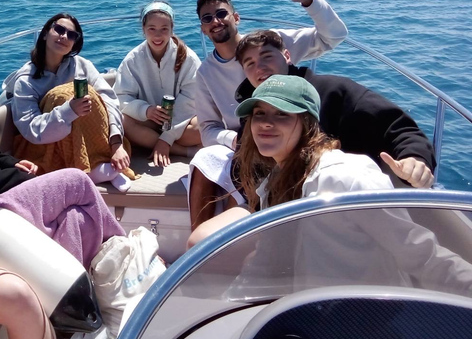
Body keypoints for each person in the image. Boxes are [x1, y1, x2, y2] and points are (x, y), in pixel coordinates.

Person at [188, 75, 472, 294]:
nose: (266, 124)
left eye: (282, 115)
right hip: (309, 306)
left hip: (364, 317)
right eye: (259, 114)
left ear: (307, 124)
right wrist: (232, 301)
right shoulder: (276, 180)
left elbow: (420, 254)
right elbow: (266, 258)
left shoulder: (346, 178)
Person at [0, 24, 126, 270]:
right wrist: (16, 177)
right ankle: (124, 249)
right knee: (77, 180)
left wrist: (12, 163)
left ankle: (80, 280)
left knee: (75, 218)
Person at [189, 0, 348, 226]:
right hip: (241, 145)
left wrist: (310, 2)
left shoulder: (269, 45)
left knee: (253, 174)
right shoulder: (205, 73)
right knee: (206, 158)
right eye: (207, 18)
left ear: (236, 17)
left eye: (221, 14)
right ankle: (201, 245)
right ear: (203, 30)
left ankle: (241, 240)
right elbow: (207, 130)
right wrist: (234, 140)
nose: (215, 21)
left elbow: (333, 37)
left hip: (286, 139)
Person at [234, 29, 435, 187]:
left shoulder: (334, 92)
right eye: (249, 63)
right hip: (274, 201)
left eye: (267, 57)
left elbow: (397, 127)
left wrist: (415, 159)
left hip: (334, 197)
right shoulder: (251, 108)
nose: (259, 67)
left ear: (287, 55)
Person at [10, 13, 134, 191]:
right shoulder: (26, 80)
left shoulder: (81, 66)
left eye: (71, 35)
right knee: (63, 95)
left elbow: (109, 100)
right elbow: (31, 129)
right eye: (59, 29)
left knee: (92, 93)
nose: (64, 37)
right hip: (45, 147)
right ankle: (91, 170)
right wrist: (69, 110)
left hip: (89, 141)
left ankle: (101, 161)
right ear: (45, 33)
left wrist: (116, 144)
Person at [113, 1, 202, 167]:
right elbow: (120, 97)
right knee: (122, 120)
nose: (157, 35)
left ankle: (158, 143)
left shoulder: (189, 58)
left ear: (172, 29)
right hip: (149, 121)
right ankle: (182, 151)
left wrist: (166, 138)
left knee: (203, 127)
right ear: (143, 29)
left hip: (181, 122)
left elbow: (192, 100)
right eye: (151, 28)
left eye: (164, 29)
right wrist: (145, 111)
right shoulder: (132, 59)